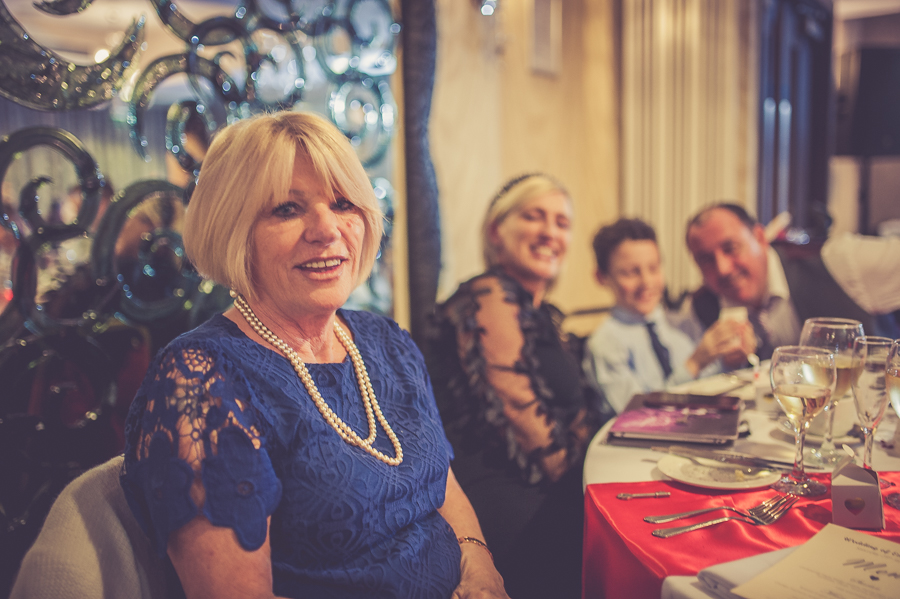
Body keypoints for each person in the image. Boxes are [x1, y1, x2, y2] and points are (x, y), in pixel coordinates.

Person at [120, 111, 508, 599]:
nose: (327, 229)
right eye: (287, 209)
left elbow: (441, 483)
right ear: (233, 229)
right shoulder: (201, 380)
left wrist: (480, 567)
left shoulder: (387, 342)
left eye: (343, 203)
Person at [425, 174, 607, 599]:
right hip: (508, 504)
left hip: (548, 486)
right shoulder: (489, 295)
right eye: (533, 216)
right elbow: (522, 417)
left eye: (561, 223)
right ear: (496, 231)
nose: (549, 232)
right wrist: (595, 488)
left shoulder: (541, 313)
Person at [583, 218, 755, 413]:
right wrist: (694, 364)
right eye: (631, 273)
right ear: (602, 277)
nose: (647, 282)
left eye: (654, 268)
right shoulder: (605, 344)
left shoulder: (682, 324)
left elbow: (708, 384)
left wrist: (730, 361)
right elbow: (637, 414)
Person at [685, 203, 876, 359]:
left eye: (731, 248)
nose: (722, 269)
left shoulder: (837, 261)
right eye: (706, 259)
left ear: (760, 238)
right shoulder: (702, 308)